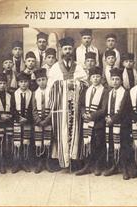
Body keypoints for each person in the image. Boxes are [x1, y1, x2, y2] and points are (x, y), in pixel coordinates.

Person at [48, 36, 87, 170]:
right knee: (61, 131)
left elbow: (85, 82)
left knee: (76, 131)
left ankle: (75, 160)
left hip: (75, 106)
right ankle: (62, 160)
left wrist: (75, 83)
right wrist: (65, 84)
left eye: (70, 49)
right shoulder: (55, 67)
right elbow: (50, 86)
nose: (68, 51)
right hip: (61, 107)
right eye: (65, 49)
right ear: (61, 51)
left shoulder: (78, 67)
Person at [76, 67, 108, 176]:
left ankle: (98, 166)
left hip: (98, 122)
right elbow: (81, 105)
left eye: (98, 77)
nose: (95, 79)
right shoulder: (87, 90)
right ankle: (87, 166)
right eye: (93, 77)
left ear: (101, 78)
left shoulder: (104, 91)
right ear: (90, 78)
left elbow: (104, 109)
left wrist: (92, 116)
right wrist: (84, 113)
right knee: (87, 143)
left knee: (98, 144)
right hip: (87, 122)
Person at [103, 68, 131, 179]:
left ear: (121, 81)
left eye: (117, 79)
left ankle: (124, 168)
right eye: (113, 79)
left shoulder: (125, 93)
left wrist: (113, 119)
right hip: (110, 123)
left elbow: (123, 110)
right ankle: (114, 166)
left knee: (122, 146)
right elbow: (106, 108)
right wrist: (107, 117)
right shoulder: (110, 93)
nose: (115, 81)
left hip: (122, 124)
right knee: (111, 145)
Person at [32, 68, 55, 173]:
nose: (42, 82)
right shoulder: (34, 93)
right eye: (39, 80)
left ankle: (47, 162)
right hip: (38, 122)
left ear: (47, 80)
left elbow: (53, 108)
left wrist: (47, 120)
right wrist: (38, 120)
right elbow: (33, 109)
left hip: (48, 121)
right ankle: (39, 163)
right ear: (36, 81)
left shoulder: (51, 92)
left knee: (48, 142)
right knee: (38, 142)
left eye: (43, 79)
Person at [0, 73, 14, 174]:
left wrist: (10, 115)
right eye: (0, 83)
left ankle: (3, 164)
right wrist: (0, 116)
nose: (2, 85)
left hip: (7, 123)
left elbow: (13, 109)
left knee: (6, 144)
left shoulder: (10, 95)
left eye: (4, 83)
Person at [12, 72, 33, 173]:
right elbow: (12, 108)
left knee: (26, 142)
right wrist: (18, 118)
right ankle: (17, 163)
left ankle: (25, 162)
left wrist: (27, 119)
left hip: (27, 121)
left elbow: (32, 109)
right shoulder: (14, 94)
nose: (23, 84)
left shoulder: (31, 94)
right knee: (17, 142)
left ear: (28, 82)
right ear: (18, 83)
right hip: (17, 121)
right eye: (21, 82)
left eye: (25, 82)